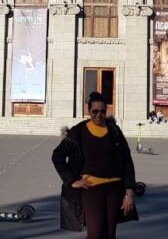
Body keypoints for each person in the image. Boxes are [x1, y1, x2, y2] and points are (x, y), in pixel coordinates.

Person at [52, 92, 138, 238]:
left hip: (114, 189)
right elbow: (57, 156)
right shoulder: (78, 132)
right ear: (88, 111)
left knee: (110, 234)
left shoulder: (114, 131)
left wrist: (129, 192)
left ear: (107, 110)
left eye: (102, 111)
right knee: (95, 233)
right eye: (95, 111)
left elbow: (127, 162)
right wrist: (72, 181)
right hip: (91, 189)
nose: (99, 115)